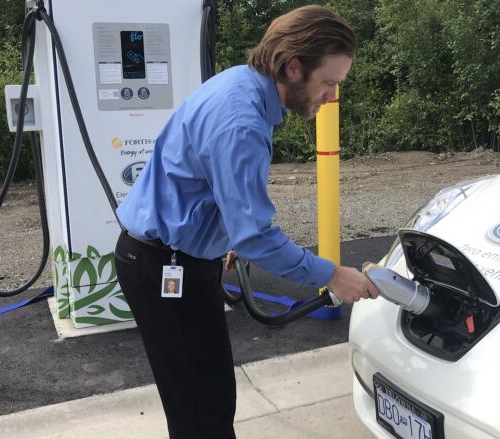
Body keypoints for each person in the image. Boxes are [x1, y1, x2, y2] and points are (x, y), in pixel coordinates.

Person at [113, 5, 380, 438]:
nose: (332, 97)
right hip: (164, 267)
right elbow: (255, 234)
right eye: (328, 83)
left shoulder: (241, 84)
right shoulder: (242, 123)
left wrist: (224, 236)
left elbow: (209, 185)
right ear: (294, 67)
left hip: (167, 256)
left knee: (203, 399)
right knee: (204, 409)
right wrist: (332, 275)